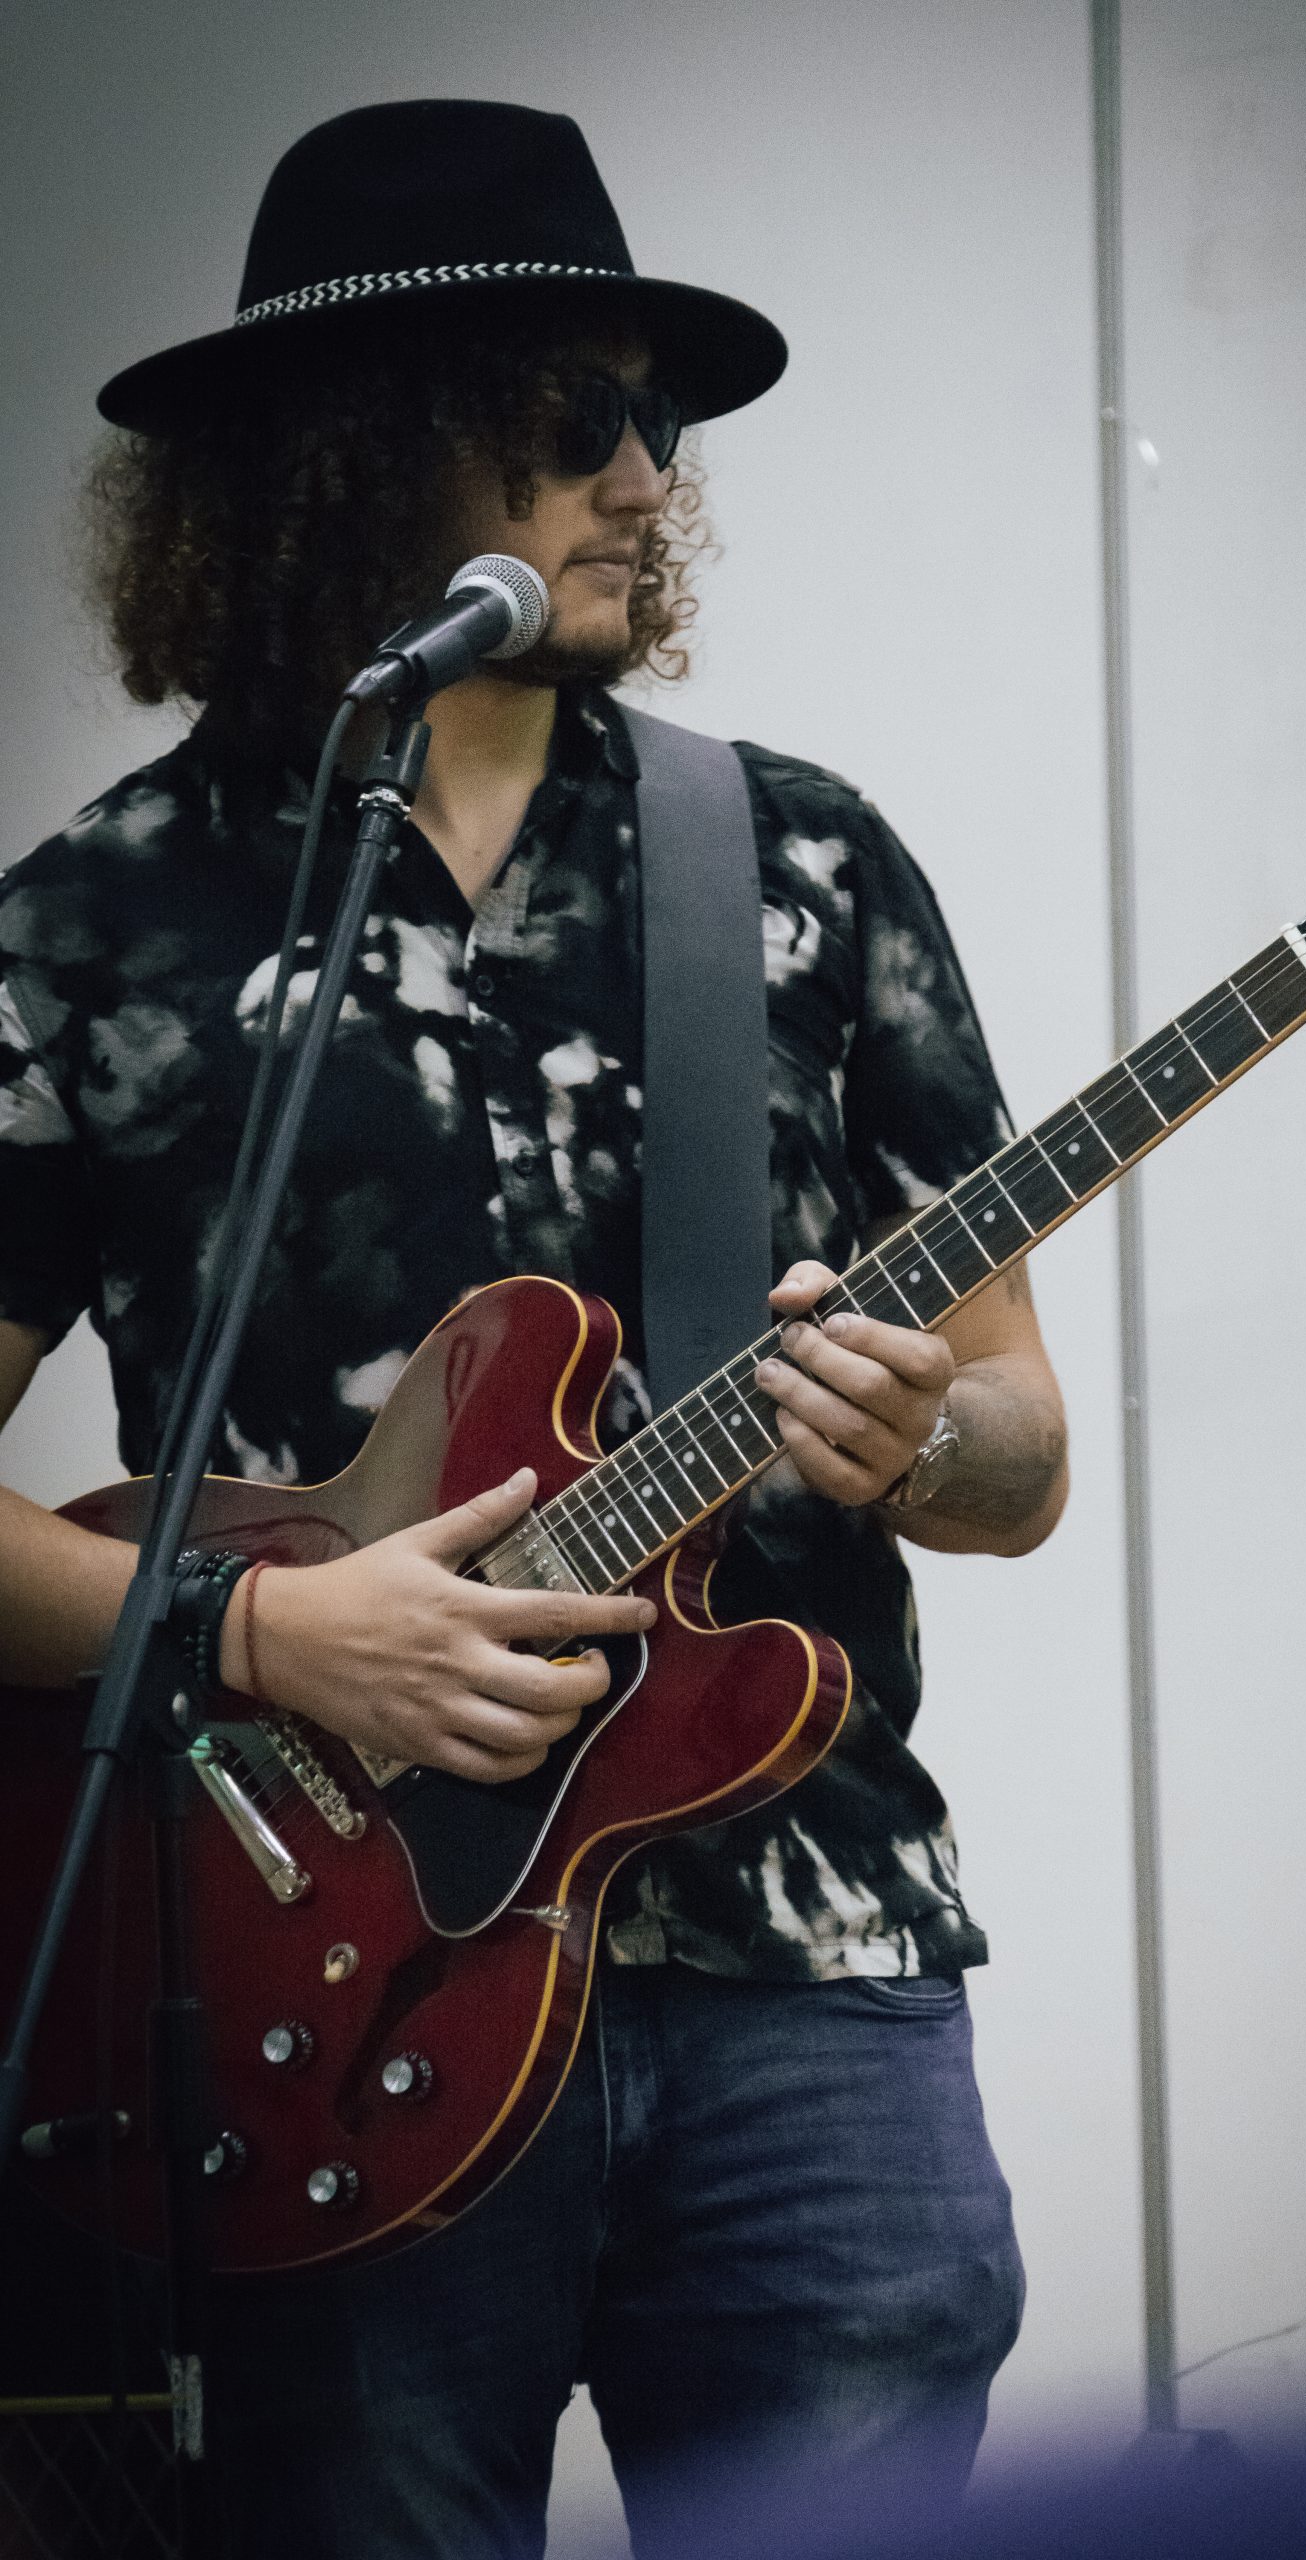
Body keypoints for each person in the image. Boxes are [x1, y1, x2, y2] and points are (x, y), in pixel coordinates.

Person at [0, 99, 1068, 2559]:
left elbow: (1018, 1455)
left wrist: (921, 1437)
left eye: (655, 419)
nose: (642, 477)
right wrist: (262, 1626)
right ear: (350, 450)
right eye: (575, 413)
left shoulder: (796, 859)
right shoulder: (99, 923)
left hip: (804, 1949)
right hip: (320, 1992)